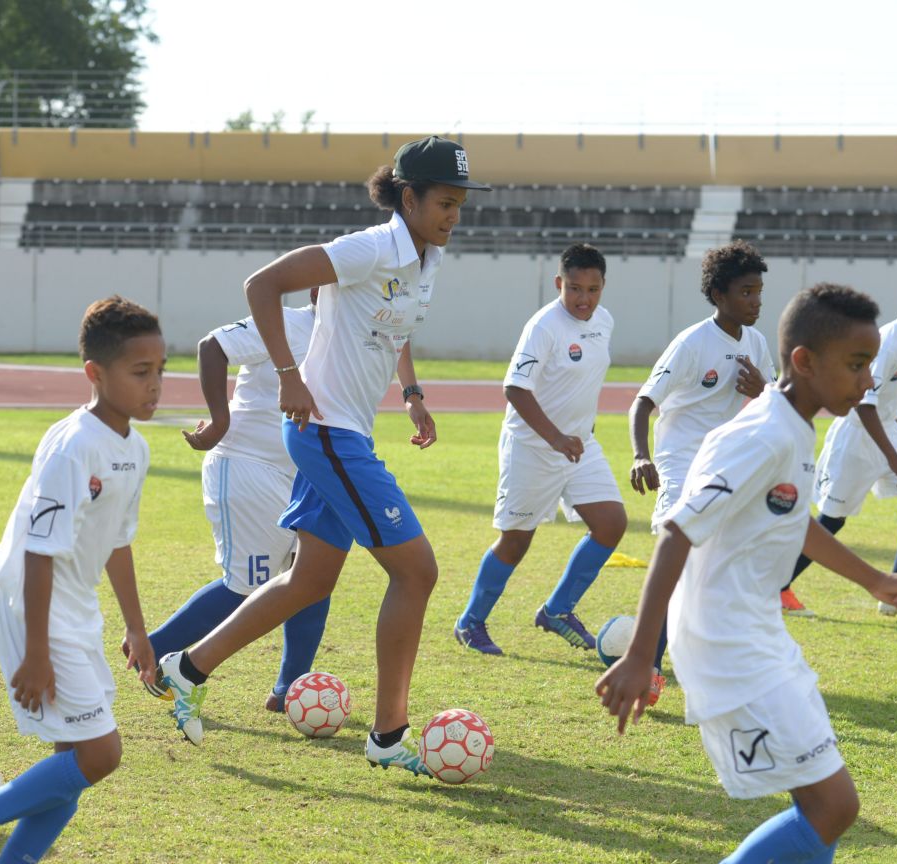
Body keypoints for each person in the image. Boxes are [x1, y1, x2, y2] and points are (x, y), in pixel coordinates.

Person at [597, 283, 897, 864]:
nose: (867, 380)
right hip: (726, 641)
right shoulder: (763, 435)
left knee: (820, 805)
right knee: (833, 804)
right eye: (855, 364)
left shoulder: (792, 426)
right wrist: (640, 658)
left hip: (759, 635)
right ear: (806, 361)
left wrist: (877, 578)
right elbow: (676, 532)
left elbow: (792, 521)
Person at [151, 135, 488, 775]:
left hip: (344, 433)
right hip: (325, 431)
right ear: (409, 198)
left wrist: (412, 394)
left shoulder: (426, 256)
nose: (454, 216)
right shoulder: (371, 247)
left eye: (460, 204)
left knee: (310, 580)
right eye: (445, 202)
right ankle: (389, 737)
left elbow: (397, 330)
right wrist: (287, 373)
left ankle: (188, 666)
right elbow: (264, 284)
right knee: (416, 572)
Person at [0, 296, 163, 864]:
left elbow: (117, 539)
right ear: (96, 373)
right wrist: (36, 651)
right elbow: (38, 553)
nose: (155, 385)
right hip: (35, 603)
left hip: (74, 604)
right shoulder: (71, 448)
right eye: (139, 373)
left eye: (160, 369)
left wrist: (138, 628)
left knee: (76, 755)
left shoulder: (133, 447)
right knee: (100, 753)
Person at [139, 290, 331, 716]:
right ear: (318, 289)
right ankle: (155, 651)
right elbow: (213, 347)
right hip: (247, 465)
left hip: (303, 474)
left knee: (314, 577)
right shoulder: (284, 321)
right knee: (246, 588)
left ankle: (289, 691)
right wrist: (220, 420)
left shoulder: (349, 336)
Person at [454, 244, 625, 656]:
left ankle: (558, 610)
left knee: (611, 524)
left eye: (593, 289)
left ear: (604, 287)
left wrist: (579, 430)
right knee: (515, 542)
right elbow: (515, 387)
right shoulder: (544, 326)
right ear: (558, 284)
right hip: (533, 448)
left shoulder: (604, 321)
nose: (584, 299)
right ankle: (470, 623)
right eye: (574, 289)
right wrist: (554, 438)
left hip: (580, 445)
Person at [627, 240, 774, 675]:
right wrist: (640, 455)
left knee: (716, 571)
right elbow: (643, 403)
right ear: (719, 296)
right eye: (746, 292)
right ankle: (648, 667)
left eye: (758, 292)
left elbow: (779, 406)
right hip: (679, 462)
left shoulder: (758, 344)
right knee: (677, 563)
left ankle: (701, 658)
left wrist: (763, 391)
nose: (756, 301)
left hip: (724, 465)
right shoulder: (691, 343)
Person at [781, 278, 897, 618]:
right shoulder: (889, 342)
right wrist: (894, 456)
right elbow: (864, 403)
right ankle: (778, 588)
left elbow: (883, 401)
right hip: (859, 438)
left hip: (885, 431)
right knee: (831, 522)